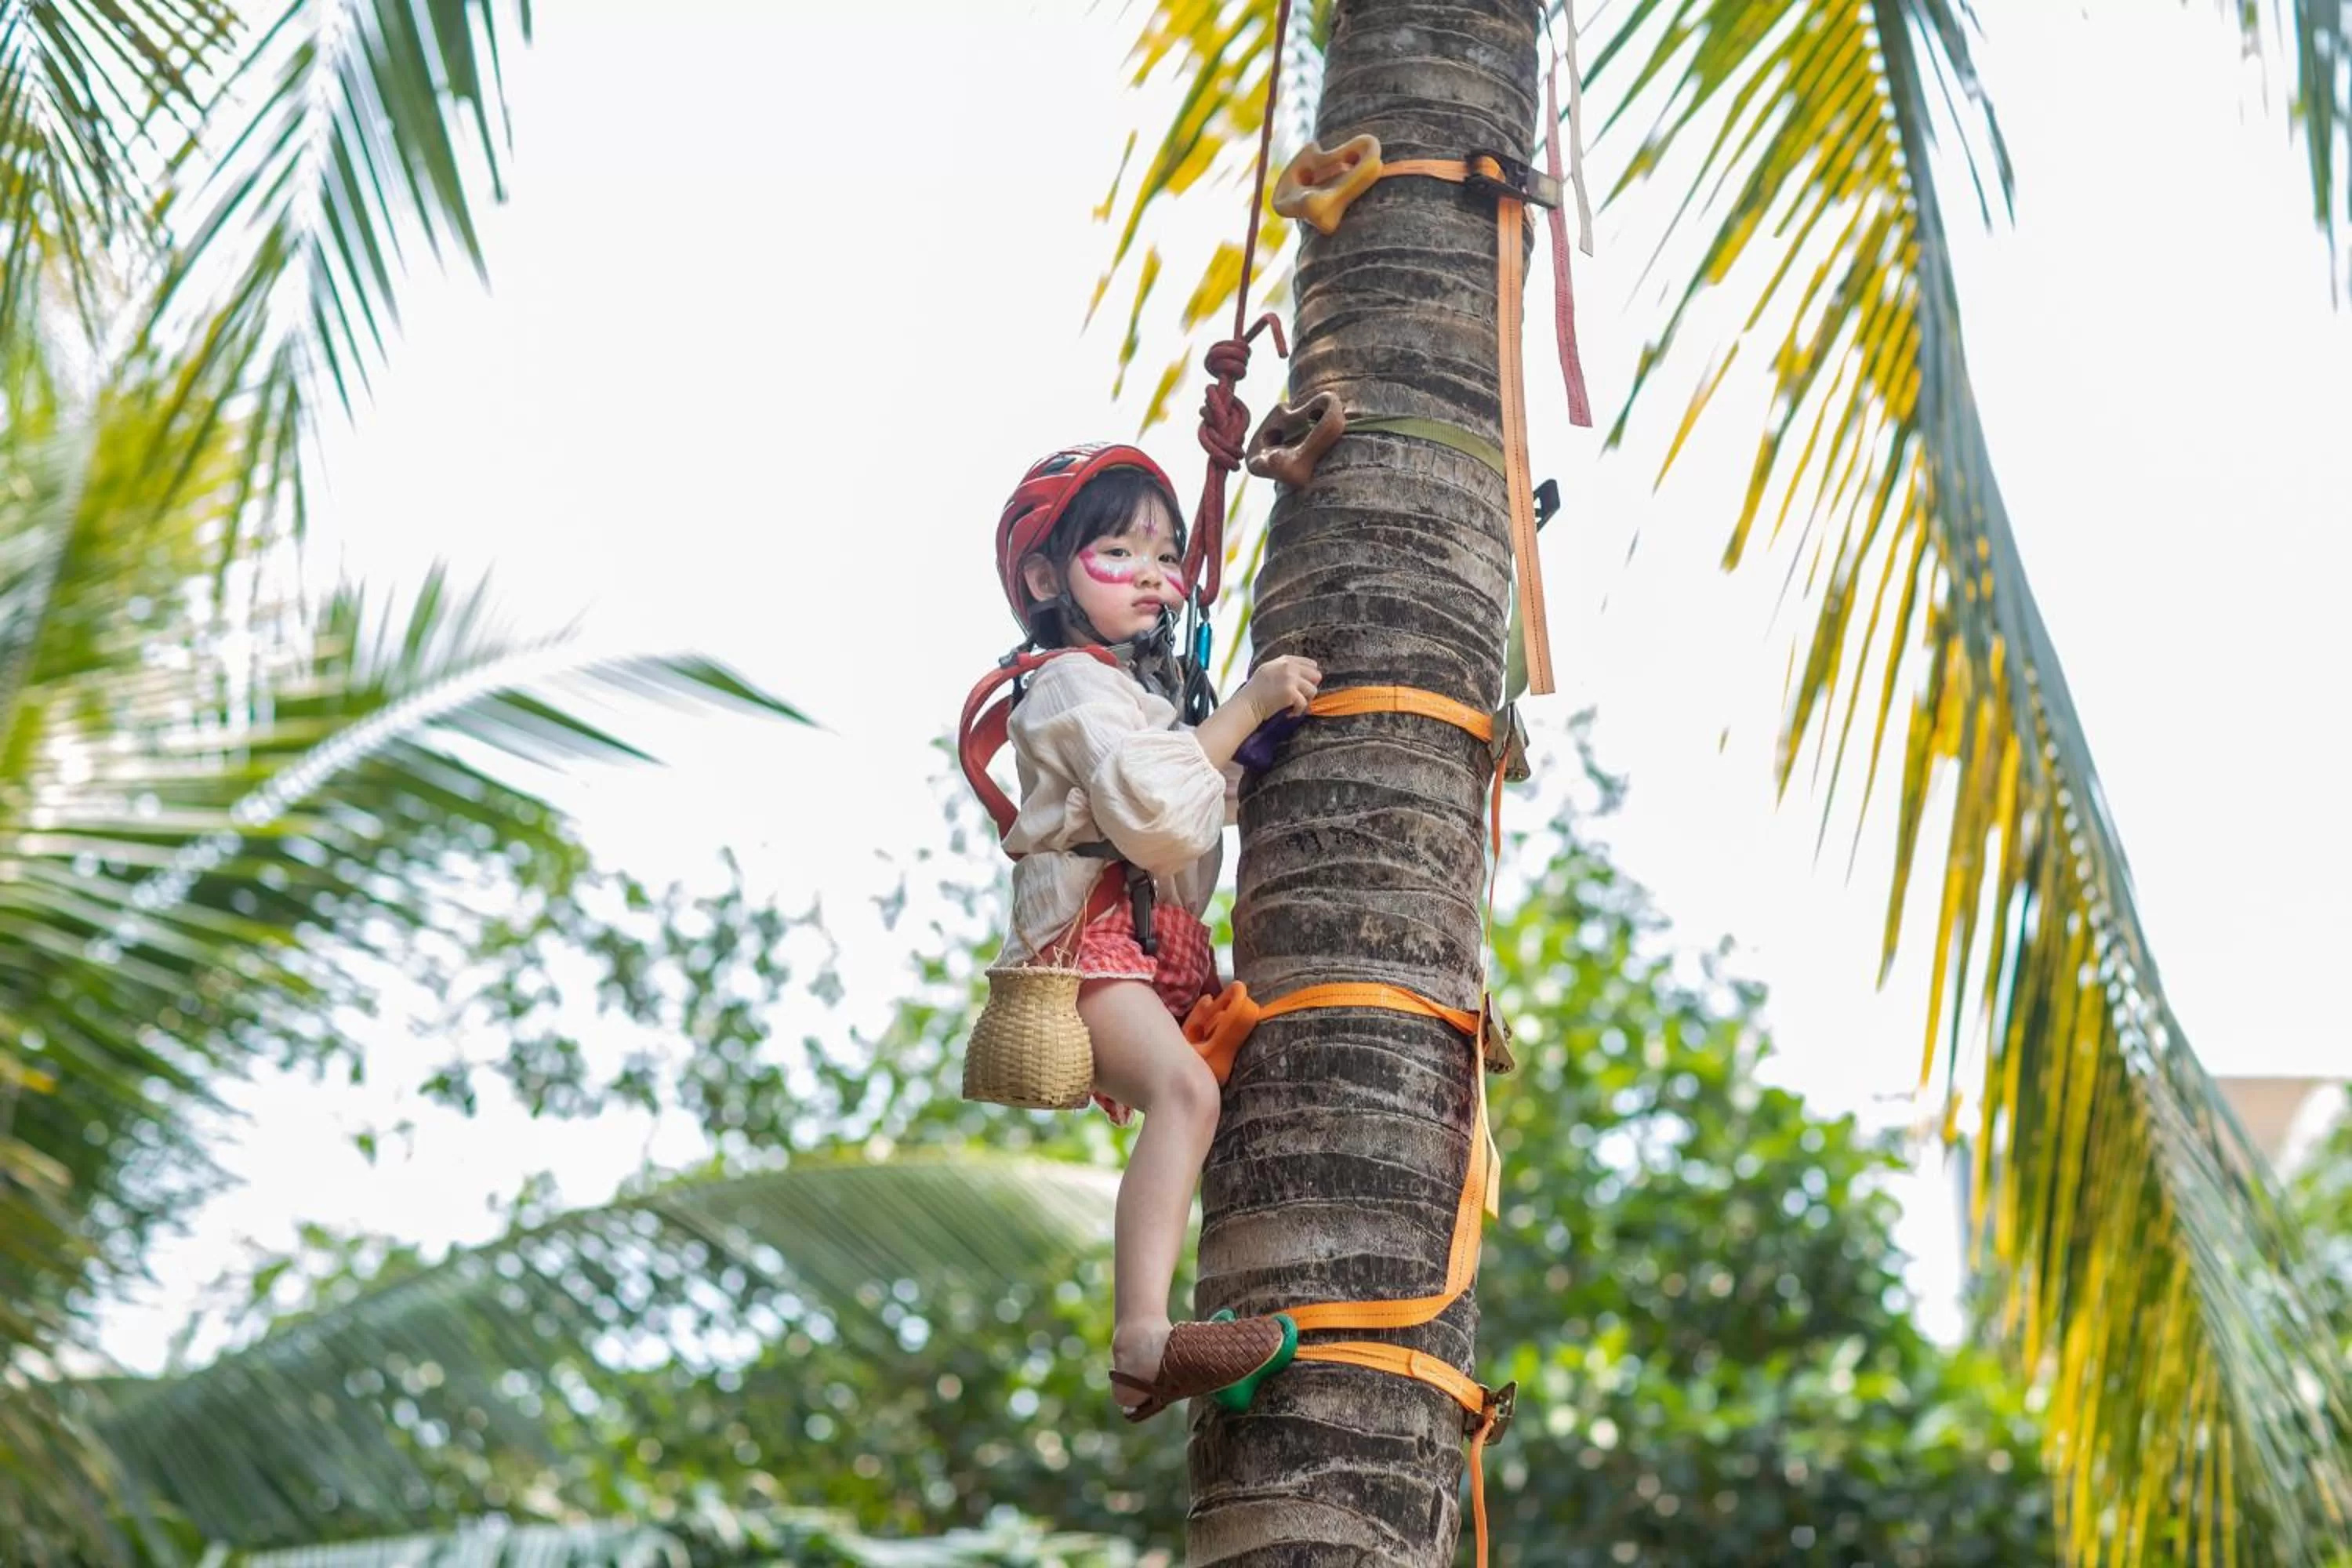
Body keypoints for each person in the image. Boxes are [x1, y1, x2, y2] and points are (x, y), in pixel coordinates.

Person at [984, 442, 1319, 1422]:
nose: (1151, 575)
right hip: (1090, 949)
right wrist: (1247, 705)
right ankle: (1140, 1342)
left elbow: (1190, 800)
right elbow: (1149, 808)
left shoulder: (1140, 695)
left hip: (1143, 948)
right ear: (1047, 578)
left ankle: (1189, 1333)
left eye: (1164, 555)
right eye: (1117, 553)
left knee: (1202, 1102)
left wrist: (1246, 744)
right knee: (1183, 1092)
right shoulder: (1067, 688)